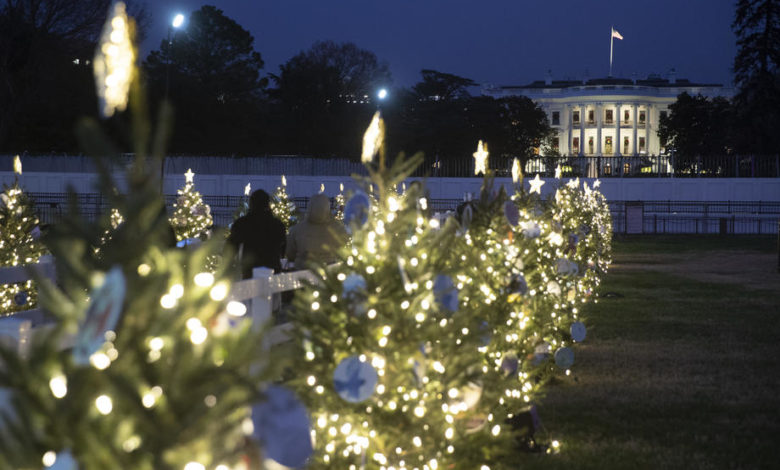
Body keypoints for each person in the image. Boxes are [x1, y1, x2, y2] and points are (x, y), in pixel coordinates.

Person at [228, 189, 286, 278]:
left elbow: (231, 247)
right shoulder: (277, 224)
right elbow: (283, 248)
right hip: (272, 268)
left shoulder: (242, 223)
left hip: (249, 269)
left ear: (251, 204)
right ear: (268, 204)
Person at [286, 193, 347, 270]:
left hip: (303, 271)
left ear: (310, 207)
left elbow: (290, 252)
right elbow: (342, 248)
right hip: (330, 272)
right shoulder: (338, 228)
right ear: (327, 208)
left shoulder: (298, 228)